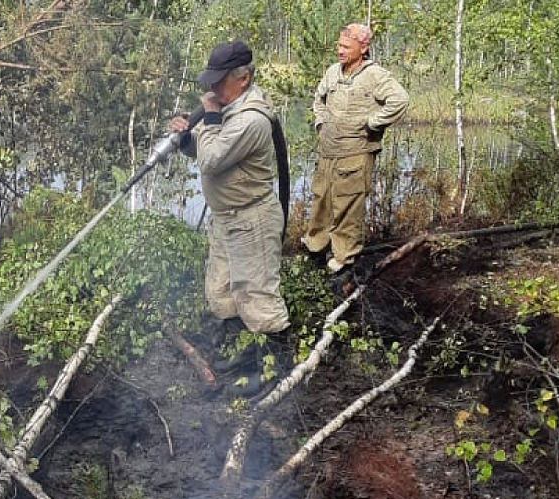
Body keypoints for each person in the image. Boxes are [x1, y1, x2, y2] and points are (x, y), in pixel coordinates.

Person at [169, 39, 292, 398]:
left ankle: (271, 371)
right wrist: (186, 139)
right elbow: (204, 154)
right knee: (221, 292)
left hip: (251, 219)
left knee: (258, 298)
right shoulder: (228, 108)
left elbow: (213, 159)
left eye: (219, 82)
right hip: (225, 218)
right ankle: (241, 356)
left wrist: (206, 118)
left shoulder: (252, 118)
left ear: (243, 78)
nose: (211, 89)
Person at [302, 23, 409, 273]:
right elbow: (318, 100)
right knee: (321, 200)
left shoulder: (375, 75)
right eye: (339, 45)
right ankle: (316, 248)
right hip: (328, 151)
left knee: (348, 206)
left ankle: (343, 259)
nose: (339, 51)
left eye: (346, 47)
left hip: (356, 152)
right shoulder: (332, 72)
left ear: (363, 48)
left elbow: (400, 100)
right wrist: (321, 123)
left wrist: (373, 123)